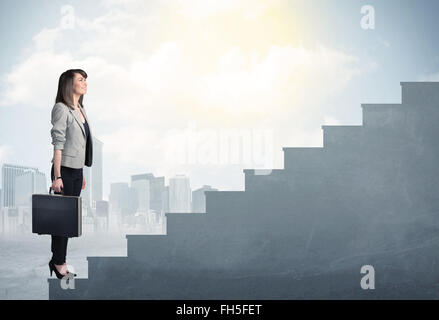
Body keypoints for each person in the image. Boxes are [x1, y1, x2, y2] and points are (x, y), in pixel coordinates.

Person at [48, 69, 93, 279]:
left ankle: (59, 259)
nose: (85, 83)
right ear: (69, 84)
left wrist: (81, 171)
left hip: (76, 171)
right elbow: (58, 144)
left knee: (69, 221)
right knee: (61, 221)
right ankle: (58, 263)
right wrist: (57, 177)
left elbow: (80, 144)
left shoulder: (80, 108)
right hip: (63, 171)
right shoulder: (61, 108)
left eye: (85, 80)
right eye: (80, 79)